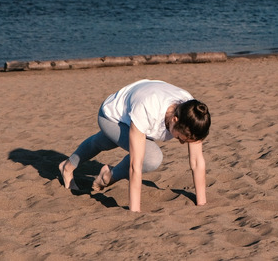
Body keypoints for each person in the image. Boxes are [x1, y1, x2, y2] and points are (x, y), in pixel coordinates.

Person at [59, 79, 211, 212]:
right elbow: (135, 166)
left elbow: (197, 162)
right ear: (175, 120)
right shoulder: (149, 109)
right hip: (111, 116)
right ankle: (69, 168)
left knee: (103, 142)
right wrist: (134, 210)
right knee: (151, 157)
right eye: (181, 139)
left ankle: (94, 172)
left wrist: (201, 202)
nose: (182, 143)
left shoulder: (192, 115)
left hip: (135, 111)